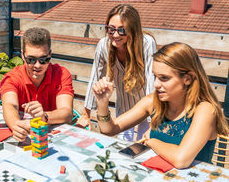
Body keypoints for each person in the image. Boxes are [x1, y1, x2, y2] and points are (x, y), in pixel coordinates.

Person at [93, 42, 229, 168]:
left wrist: (152, 141)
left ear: (187, 79)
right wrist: (102, 103)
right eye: (155, 77)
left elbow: (181, 160)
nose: (156, 84)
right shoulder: (154, 101)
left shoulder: (205, 110)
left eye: (164, 78)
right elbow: (109, 129)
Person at [77, 4, 157, 141]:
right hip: (124, 109)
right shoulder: (103, 45)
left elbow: (152, 82)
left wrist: (154, 123)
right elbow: (95, 78)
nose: (115, 35)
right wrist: (86, 115)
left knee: (145, 147)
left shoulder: (147, 43)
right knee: (123, 146)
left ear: (132, 30)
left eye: (122, 30)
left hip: (149, 109)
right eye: (111, 29)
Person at [0, 27, 74, 142]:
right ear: (23, 55)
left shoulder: (61, 74)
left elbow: (67, 112)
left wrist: (44, 116)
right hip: (26, 137)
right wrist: (16, 125)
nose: (38, 65)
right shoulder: (12, 77)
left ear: (50, 54)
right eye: (31, 60)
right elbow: (10, 105)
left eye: (43, 59)